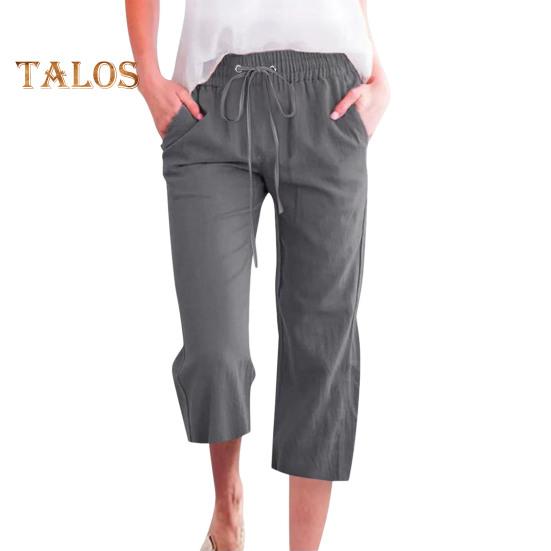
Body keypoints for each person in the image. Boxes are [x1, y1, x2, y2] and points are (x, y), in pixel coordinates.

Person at [126, 0, 389, 549]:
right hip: (212, 104)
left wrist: (379, 77)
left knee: (322, 344)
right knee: (213, 347)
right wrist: (148, 76)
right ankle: (227, 507)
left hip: (329, 104)